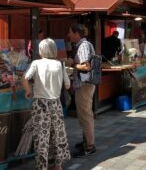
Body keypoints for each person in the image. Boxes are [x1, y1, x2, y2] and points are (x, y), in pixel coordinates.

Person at [22, 38, 71, 170]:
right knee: (58, 135)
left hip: (40, 104)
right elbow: (67, 85)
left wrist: (28, 91)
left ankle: (42, 166)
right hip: (56, 103)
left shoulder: (36, 63)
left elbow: (25, 78)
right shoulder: (60, 64)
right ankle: (58, 165)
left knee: (41, 137)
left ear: (41, 50)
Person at [67, 23, 97, 157]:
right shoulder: (82, 45)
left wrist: (72, 63)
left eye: (70, 32)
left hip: (85, 85)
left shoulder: (83, 46)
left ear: (76, 33)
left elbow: (86, 66)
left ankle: (89, 146)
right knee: (85, 115)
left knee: (85, 116)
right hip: (85, 84)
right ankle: (86, 141)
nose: (68, 35)